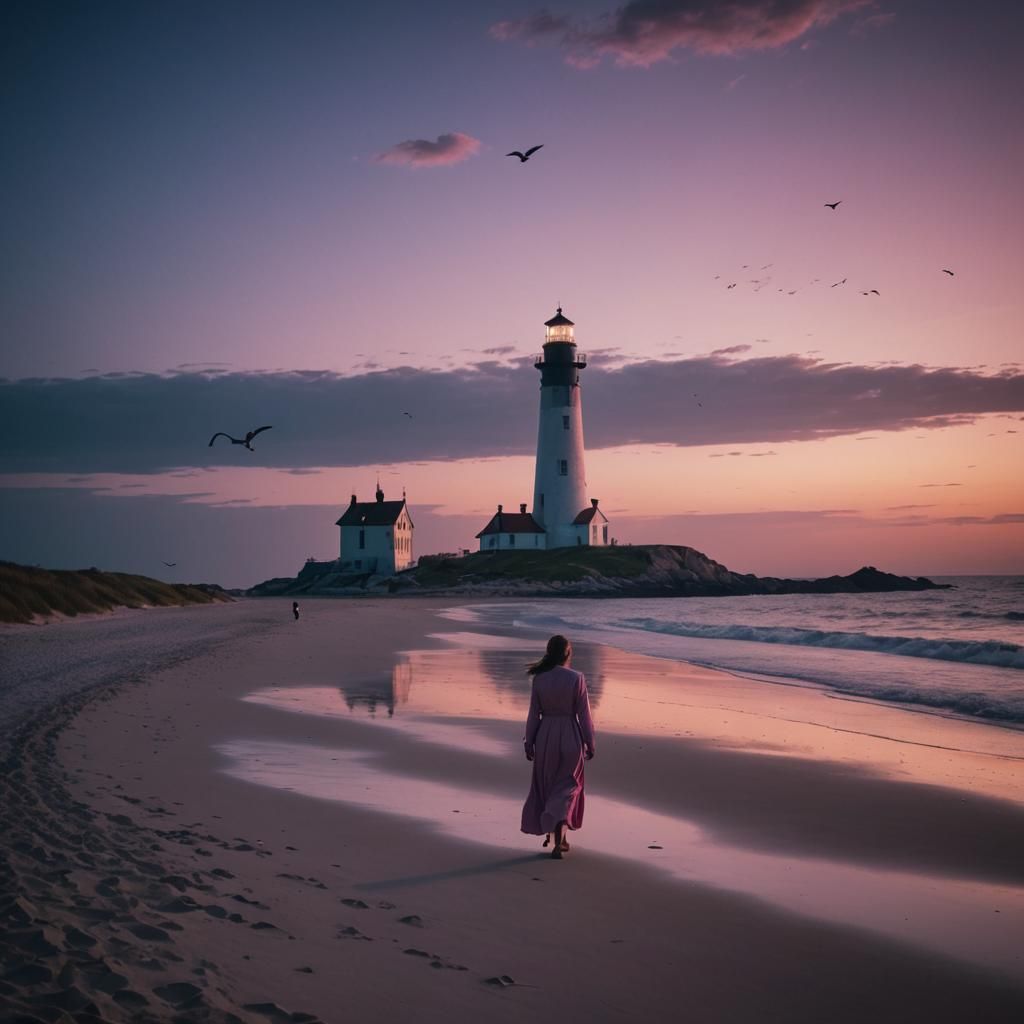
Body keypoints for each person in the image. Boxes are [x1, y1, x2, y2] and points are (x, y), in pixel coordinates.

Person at [520, 634, 595, 860]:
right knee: (568, 786)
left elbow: (534, 714)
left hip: (546, 736)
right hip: (570, 734)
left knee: (550, 784)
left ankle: (558, 840)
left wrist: (529, 741)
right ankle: (560, 840)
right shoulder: (576, 678)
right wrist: (590, 742)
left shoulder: (539, 679)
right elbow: (585, 715)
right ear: (567, 653)